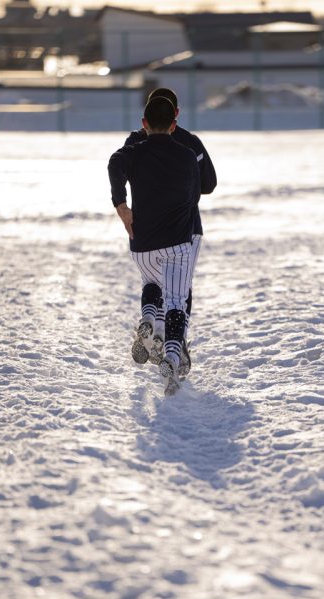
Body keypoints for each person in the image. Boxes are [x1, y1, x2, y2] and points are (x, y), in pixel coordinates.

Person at [108, 96, 200, 397]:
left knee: (151, 282)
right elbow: (195, 195)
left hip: (143, 243)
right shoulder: (187, 156)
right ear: (174, 125)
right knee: (176, 300)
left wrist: (121, 205)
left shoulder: (133, 153)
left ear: (143, 124)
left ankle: (148, 318)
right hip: (177, 244)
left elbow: (114, 163)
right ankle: (172, 357)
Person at [123, 87, 217, 378]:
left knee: (154, 281)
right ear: (176, 114)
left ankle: (156, 329)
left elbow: (123, 168)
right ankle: (176, 345)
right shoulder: (190, 143)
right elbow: (209, 184)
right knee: (180, 288)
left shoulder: (136, 141)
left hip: (146, 227)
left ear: (146, 119)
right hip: (186, 226)